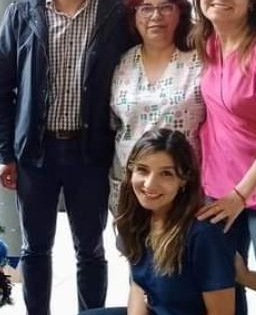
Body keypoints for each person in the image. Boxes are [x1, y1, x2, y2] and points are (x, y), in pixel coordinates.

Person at [0, 0, 133, 314]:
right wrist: (5, 153)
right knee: (35, 248)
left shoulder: (118, 12)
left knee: (90, 248)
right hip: (36, 151)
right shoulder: (22, 10)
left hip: (91, 150)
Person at [79, 129, 238, 315]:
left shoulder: (203, 233)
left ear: (184, 180)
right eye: (142, 170)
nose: (149, 184)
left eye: (166, 174)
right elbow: (138, 286)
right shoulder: (138, 217)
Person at [191, 0, 256, 303]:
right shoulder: (207, 43)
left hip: (243, 191)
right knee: (225, 287)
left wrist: (240, 194)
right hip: (216, 189)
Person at [108, 0, 204, 212]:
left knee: (183, 246)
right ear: (134, 16)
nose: (155, 16)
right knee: (134, 247)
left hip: (181, 183)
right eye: (146, 8)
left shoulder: (200, 60)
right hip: (132, 183)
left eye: (166, 7)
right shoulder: (123, 62)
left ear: (180, 13)